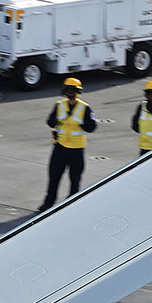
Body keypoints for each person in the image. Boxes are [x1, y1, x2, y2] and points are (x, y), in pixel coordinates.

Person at [38, 77, 96, 211]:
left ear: (77, 92)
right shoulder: (59, 105)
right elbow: (50, 121)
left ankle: (71, 204)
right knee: (54, 176)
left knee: (75, 179)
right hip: (60, 147)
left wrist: (82, 124)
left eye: (72, 91)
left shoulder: (85, 108)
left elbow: (92, 127)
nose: (69, 94)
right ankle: (48, 203)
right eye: (68, 91)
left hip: (76, 149)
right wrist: (57, 122)